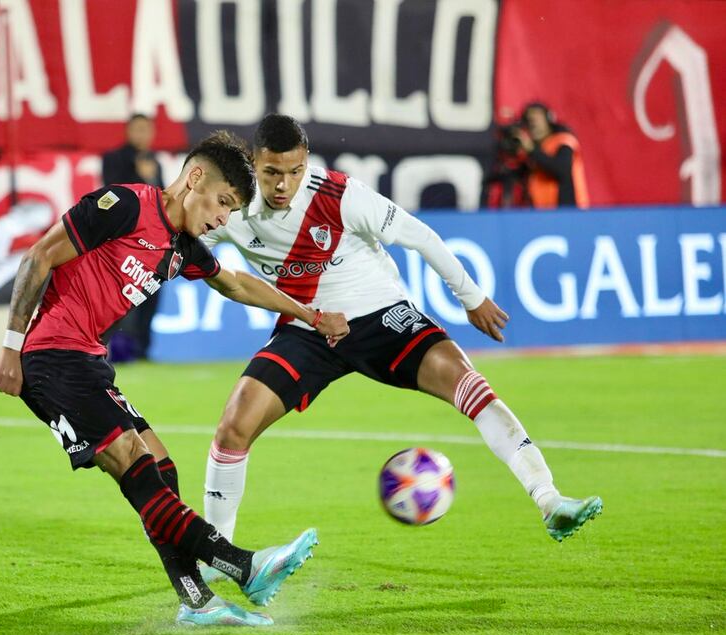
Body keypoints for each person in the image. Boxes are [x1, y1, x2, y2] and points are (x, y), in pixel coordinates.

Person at [198, 115, 602, 571]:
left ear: (306, 162)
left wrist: (471, 297)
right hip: (309, 328)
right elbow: (181, 233)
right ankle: (217, 559)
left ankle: (549, 499)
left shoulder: (340, 195)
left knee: (468, 384)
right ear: (255, 163)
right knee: (234, 427)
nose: (282, 185)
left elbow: (421, 237)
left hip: (379, 314)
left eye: (294, 172)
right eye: (271, 173)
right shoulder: (234, 206)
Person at [0, 131, 349, 626]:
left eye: (231, 211)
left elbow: (237, 283)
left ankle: (196, 601)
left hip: (87, 361)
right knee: (137, 466)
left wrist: (309, 314)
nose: (223, 218)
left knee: (161, 469)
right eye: (223, 202)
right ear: (194, 178)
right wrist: (12, 349)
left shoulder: (182, 245)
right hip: (53, 358)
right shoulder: (122, 206)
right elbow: (39, 257)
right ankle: (244, 567)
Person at [101, 114, 165, 361]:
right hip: (125, 241)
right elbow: (113, 193)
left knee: (151, 294)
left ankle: (144, 350)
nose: (142, 135)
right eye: (137, 129)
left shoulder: (154, 161)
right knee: (126, 297)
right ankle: (121, 351)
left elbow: (162, 199)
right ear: (128, 131)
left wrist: (151, 177)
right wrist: (142, 178)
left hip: (153, 244)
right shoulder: (113, 159)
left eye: (146, 129)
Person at [513, 103, 589, 209]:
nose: (533, 126)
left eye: (536, 120)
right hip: (541, 213)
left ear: (548, 120)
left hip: (566, 212)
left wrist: (532, 150)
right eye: (529, 122)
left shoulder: (563, 141)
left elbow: (562, 170)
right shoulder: (532, 149)